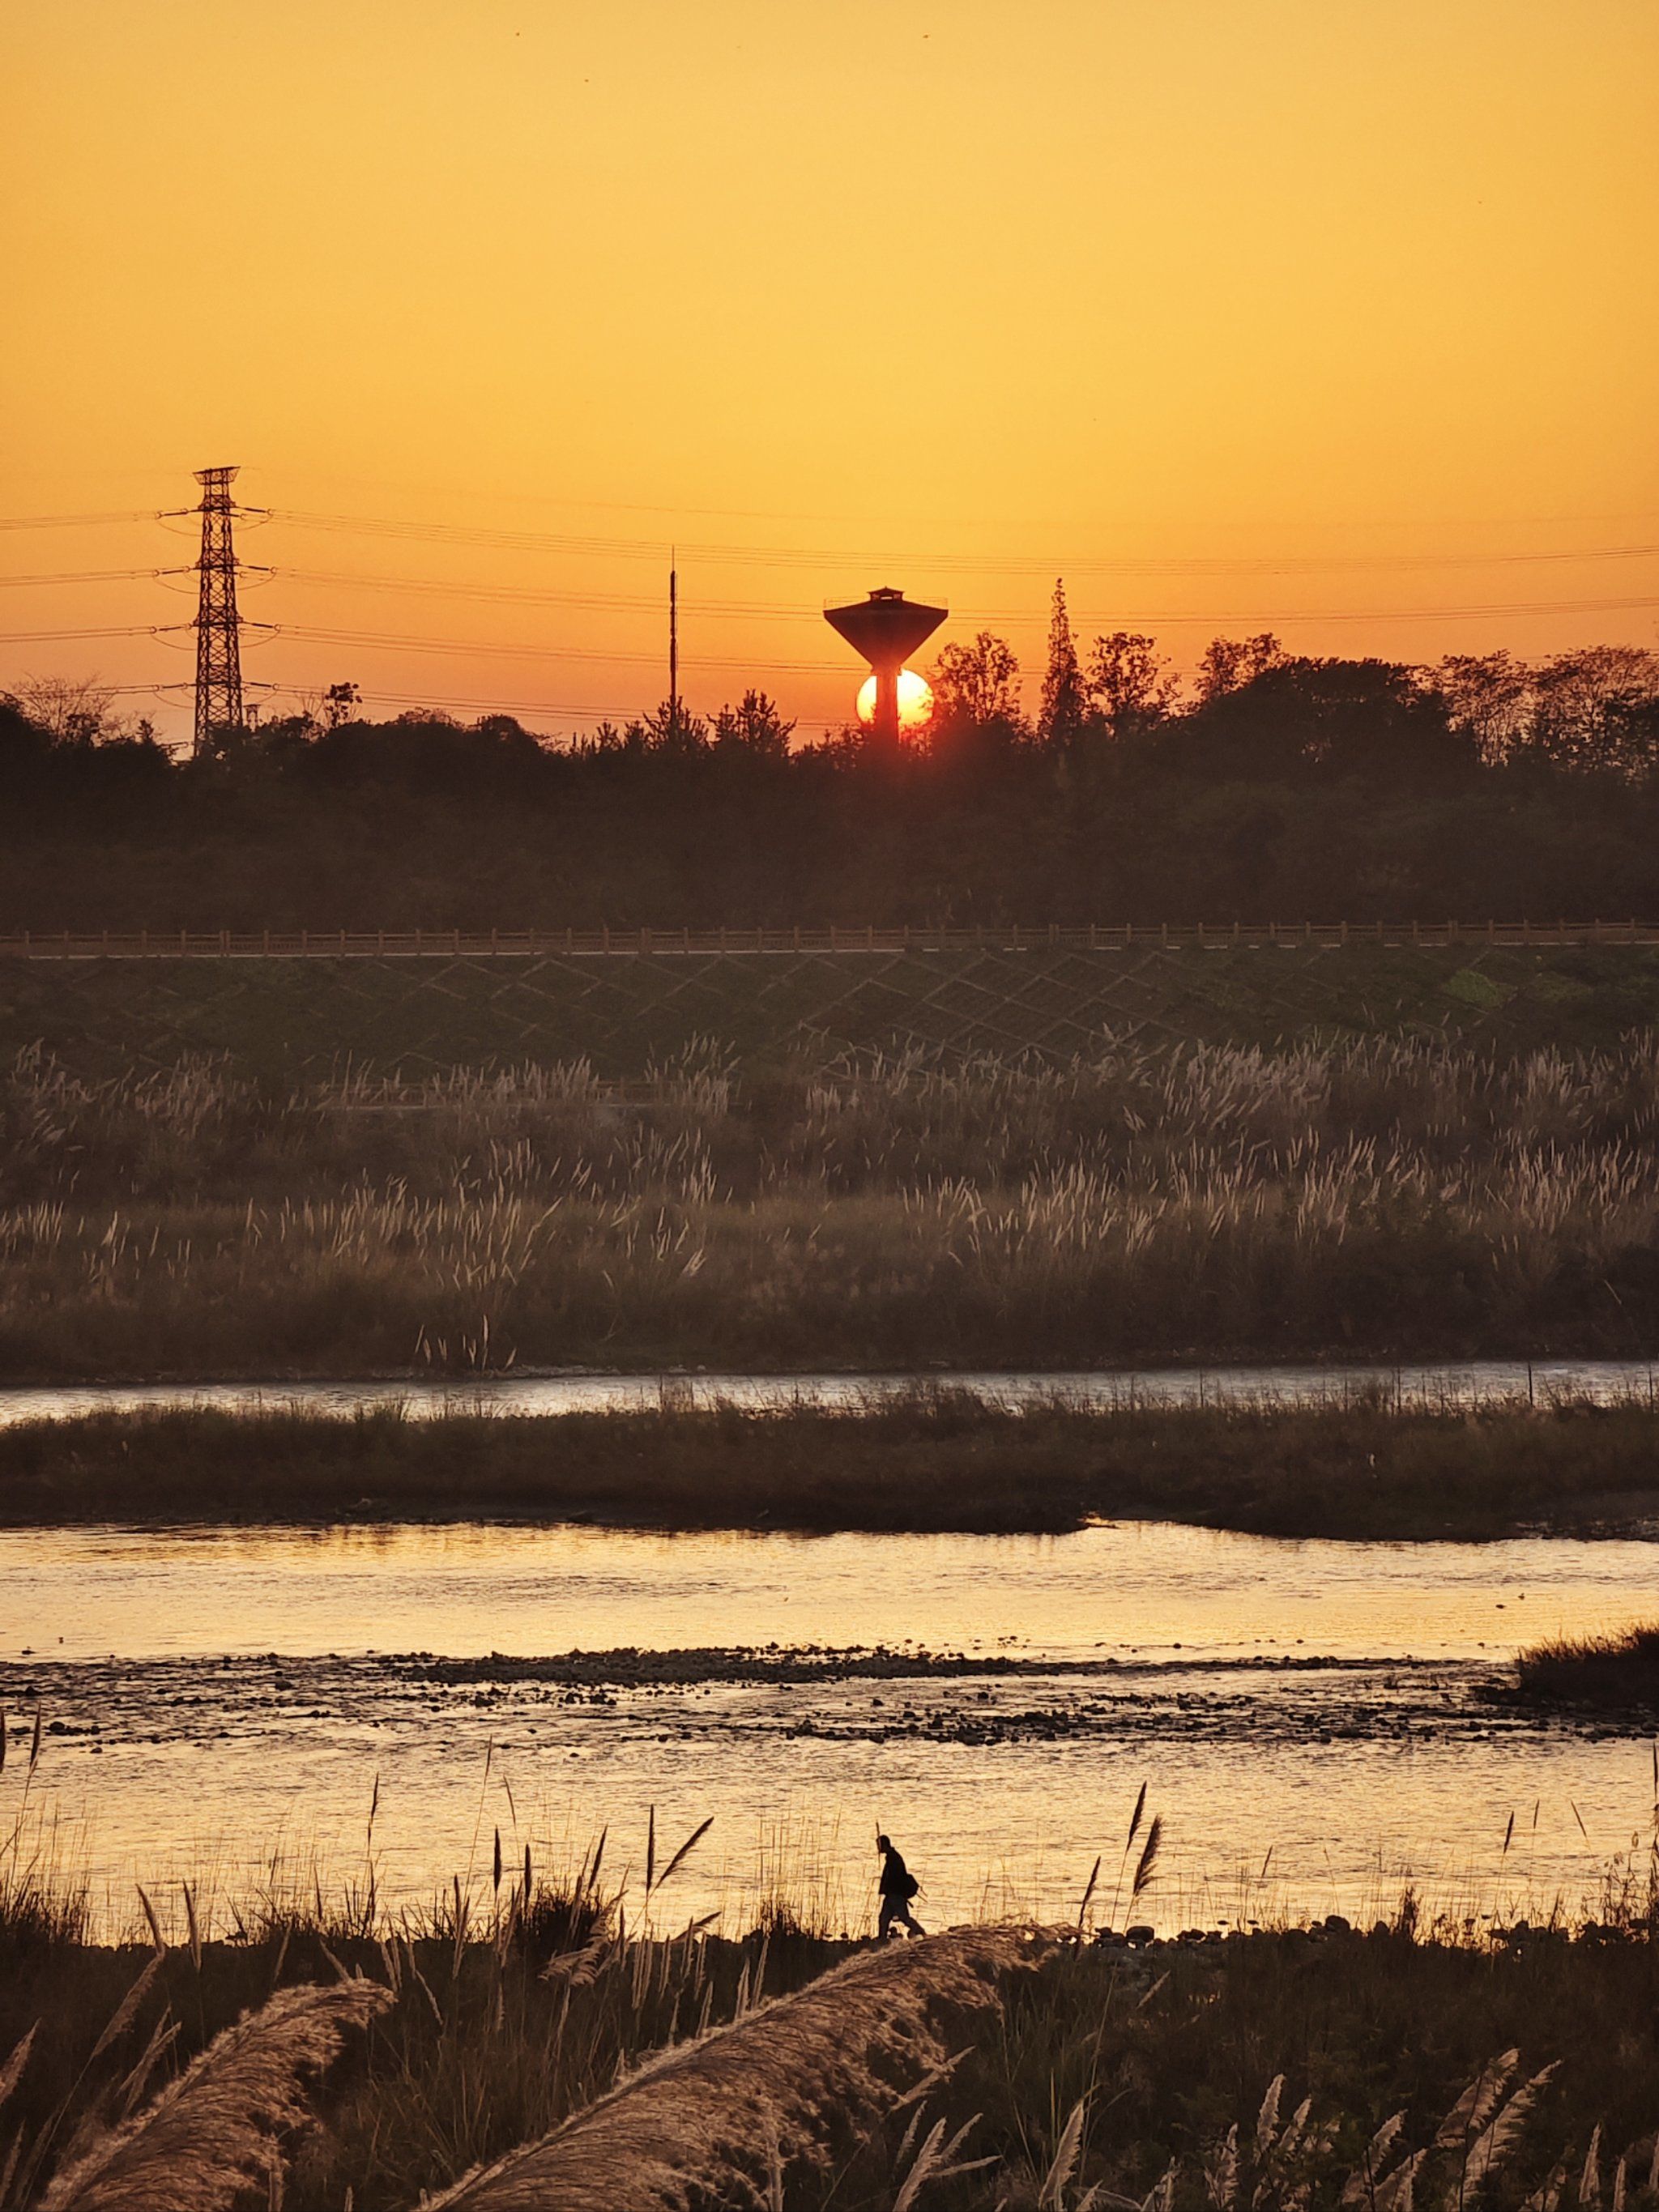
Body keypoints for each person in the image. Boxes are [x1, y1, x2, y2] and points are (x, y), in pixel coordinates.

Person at [876, 1832, 925, 1939]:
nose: (878, 1848)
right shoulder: (891, 1857)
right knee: (884, 1918)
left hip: (896, 1894)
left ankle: (921, 1932)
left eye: (879, 1845)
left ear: (884, 1845)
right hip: (891, 1894)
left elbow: (896, 1877)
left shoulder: (894, 1858)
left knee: (903, 1917)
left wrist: (889, 1890)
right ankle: (882, 1940)